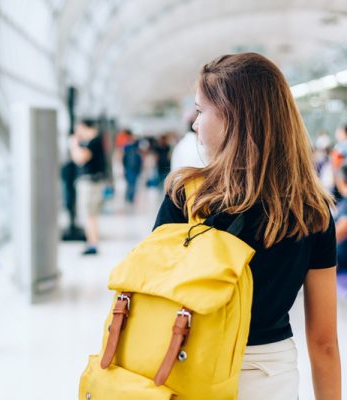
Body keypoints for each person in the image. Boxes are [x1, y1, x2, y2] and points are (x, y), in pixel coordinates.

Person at [153, 53, 341, 399]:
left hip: (190, 367)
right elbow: (324, 342)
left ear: (231, 117)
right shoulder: (310, 211)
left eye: (200, 111)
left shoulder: (189, 196)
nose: (195, 124)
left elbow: (154, 300)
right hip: (272, 377)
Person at [70, 119, 106, 255]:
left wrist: (73, 144)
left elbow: (79, 158)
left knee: (90, 215)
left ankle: (93, 244)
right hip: (94, 183)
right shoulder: (97, 141)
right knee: (91, 215)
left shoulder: (93, 142)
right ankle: (92, 242)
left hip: (91, 184)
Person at [122, 131, 143, 204]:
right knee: (131, 183)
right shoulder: (128, 147)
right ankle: (129, 197)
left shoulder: (135, 147)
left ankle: (129, 197)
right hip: (130, 168)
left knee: (132, 183)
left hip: (132, 168)